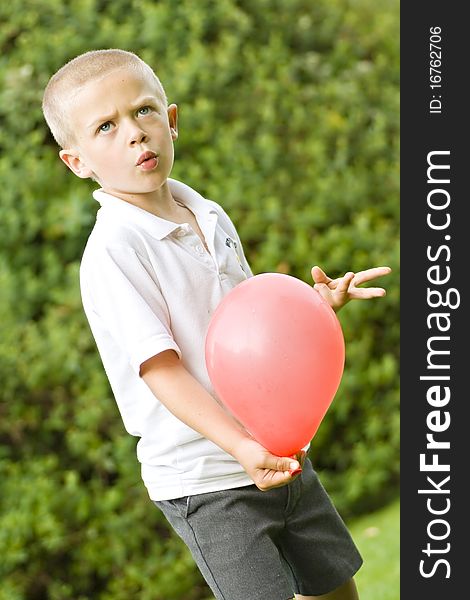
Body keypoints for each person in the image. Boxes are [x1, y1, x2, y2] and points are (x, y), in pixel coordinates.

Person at [42, 49, 391, 600]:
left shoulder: (209, 215)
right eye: (105, 127)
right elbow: (162, 371)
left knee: (336, 592)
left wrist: (311, 308)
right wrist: (239, 447)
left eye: (144, 111)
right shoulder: (114, 249)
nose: (135, 134)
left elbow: (249, 334)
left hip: (276, 453)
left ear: (172, 120)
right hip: (207, 480)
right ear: (76, 160)